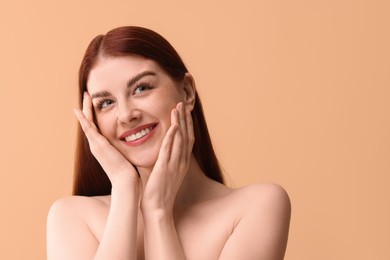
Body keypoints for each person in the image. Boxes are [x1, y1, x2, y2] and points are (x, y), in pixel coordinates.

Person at [46, 26, 291, 260]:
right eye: (106, 103)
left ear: (186, 91)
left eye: (141, 88)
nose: (126, 115)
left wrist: (158, 212)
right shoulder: (72, 217)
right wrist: (123, 187)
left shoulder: (257, 207)